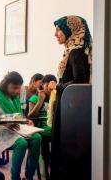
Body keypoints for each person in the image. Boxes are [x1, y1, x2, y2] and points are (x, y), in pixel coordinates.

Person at [50, 15, 92, 180]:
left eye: (59, 29)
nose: (55, 33)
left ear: (71, 30)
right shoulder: (73, 51)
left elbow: (79, 85)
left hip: (71, 111)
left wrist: (57, 86)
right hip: (70, 108)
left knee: (67, 151)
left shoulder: (75, 52)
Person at [0, 72, 41, 180]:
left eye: (19, 88)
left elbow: (18, 116)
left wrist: (27, 121)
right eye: (14, 88)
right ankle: (15, 177)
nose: (17, 91)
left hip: (15, 127)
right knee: (21, 143)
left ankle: (29, 176)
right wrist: (4, 124)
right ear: (5, 84)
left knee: (37, 138)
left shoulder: (14, 96)